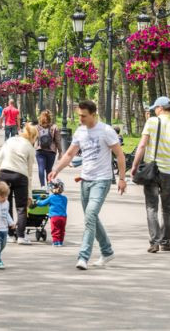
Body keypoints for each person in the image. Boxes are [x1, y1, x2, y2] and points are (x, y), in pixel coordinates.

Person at [49, 100, 127, 270]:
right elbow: (69, 154)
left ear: (93, 114)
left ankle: (83, 256)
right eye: (79, 116)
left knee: (90, 215)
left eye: (83, 116)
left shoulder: (106, 131)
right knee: (91, 218)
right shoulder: (80, 132)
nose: (81, 119)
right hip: (85, 180)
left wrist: (122, 178)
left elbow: (120, 156)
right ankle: (107, 251)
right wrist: (56, 170)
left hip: (102, 180)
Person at [131, 96, 170, 253]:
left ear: (160, 108)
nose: (154, 110)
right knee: (168, 208)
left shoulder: (152, 122)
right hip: (169, 172)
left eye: (155, 108)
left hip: (152, 171)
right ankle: (166, 242)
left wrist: (134, 165)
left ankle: (154, 242)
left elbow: (142, 145)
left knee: (151, 207)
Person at [0, 123, 37, 245]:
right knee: (21, 207)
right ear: (33, 137)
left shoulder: (10, 140)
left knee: (7, 205)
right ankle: (21, 236)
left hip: (5, 173)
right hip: (20, 176)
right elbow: (30, 173)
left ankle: (10, 234)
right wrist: (29, 194)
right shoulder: (30, 147)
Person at [33, 178, 68, 246]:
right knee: (62, 230)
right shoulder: (65, 198)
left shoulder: (51, 197)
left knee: (55, 229)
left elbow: (42, 203)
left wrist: (37, 201)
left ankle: (56, 242)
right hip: (63, 217)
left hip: (54, 217)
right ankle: (60, 242)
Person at [35, 110, 62, 187]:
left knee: (41, 169)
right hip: (51, 152)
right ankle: (49, 187)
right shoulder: (54, 127)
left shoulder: (37, 127)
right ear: (50, 118)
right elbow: (58, 140)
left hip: (40, 150)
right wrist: (60, 152)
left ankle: (42, 186)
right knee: (49, 170)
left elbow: (34, 139)